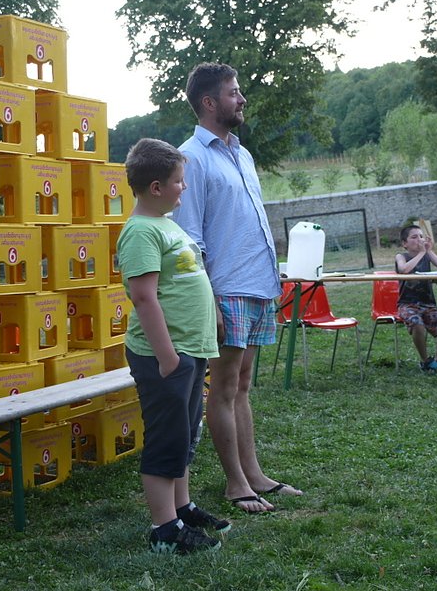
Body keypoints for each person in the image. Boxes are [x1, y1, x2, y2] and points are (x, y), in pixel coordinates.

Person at [171, 62, 303, 514]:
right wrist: (210, 301)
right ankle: (234, 484)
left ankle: (255, 474)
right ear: (209, 103)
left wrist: (274, 271)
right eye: (233, 92)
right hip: (224, 289)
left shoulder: (240, 154)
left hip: (257, 284)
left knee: (243, 385)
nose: (241, 99)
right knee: (223, 388)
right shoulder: (190, 158)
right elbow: (190, 239)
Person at [118, 138, 230, 555]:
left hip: (189, 351)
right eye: (178, 181)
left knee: (184, 435)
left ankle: (182, 508)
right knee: (166, 440)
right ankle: (164, 529)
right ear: (155, 187)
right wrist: (167, 357)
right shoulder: (141, 232)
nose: (184, 188)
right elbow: (144, 297)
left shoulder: (166, 223)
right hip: (164, 355)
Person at [395, 224, 437, 373]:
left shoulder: (427, 255)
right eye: (414, 237)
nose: (419, 240)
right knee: (418, 325)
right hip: (407, 304)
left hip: (428, 305)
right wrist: (422, 253)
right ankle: (425, 361)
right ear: (404, 243)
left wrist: (429, 251)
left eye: (421, 236)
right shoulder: (401, 256)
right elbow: (404, 270)